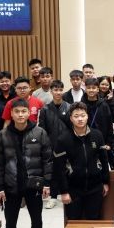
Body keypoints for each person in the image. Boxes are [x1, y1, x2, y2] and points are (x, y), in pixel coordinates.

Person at [0, 98, 52, 228]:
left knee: (37, 220)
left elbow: (47, 160)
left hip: (34, 184)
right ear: (11, 114)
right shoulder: (2, 135)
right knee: (10, 222)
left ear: (29, 113)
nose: (20, 115)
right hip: (11, 185)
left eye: (23, 111)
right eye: (16, 111)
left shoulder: (40, 133)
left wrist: (47, 183)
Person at [55, 102, 111, 220]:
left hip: (95, 187)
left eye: (83, 115)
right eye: (76, 116)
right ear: (71, 118)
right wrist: (64, 191)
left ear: (87, 116)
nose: (80, 119)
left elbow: (104, 160)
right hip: (73, 188)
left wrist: (105, 182)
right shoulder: (63, 139)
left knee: (94, 220)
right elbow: (59, 168)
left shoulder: (97, 135)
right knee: (74, 222)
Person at [37, 79, 71, 208]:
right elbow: (42, 129)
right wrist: (45, 145)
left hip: (67, 145)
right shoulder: (45, 109)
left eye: (60, 90)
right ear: (51, 91)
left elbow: (72, 128)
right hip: (51, 145)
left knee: (68, 170)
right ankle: (53, 197)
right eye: (55, 90)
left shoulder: (69, 107)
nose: (58, 92)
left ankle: (69, 193)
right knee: (53, 171)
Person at [82, 77, 114, 160]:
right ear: (85, 89)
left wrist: (109, 143)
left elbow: (109, 125)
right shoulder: (81, 105)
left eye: (93, 88)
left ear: (97, 89)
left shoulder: (104, 105)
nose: (91, 90)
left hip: (102, 140)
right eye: (88, 88)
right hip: (85, 140)